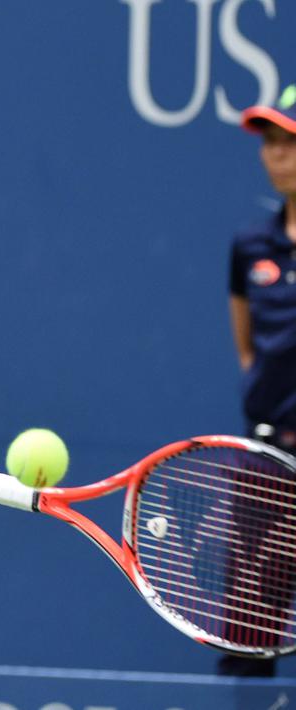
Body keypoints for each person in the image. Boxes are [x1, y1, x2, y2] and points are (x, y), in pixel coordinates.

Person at [219, 86, 296, 677]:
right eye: (270, 142)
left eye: (290, 142)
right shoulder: (250, 245)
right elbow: (249, 348)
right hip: (267, 459)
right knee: (248, 642)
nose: (277, 154)